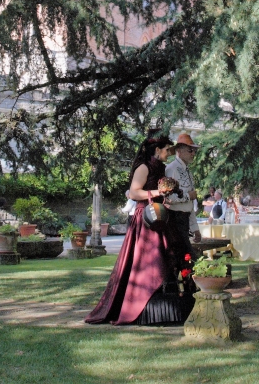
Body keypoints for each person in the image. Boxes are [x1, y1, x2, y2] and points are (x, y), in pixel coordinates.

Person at [85, 133, 194, 325]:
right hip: (146, 218)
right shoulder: (144, 167)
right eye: (167, 150)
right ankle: (143, 305)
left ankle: (169, 301)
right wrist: (157, 192)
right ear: (157, 150)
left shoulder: (160, 168)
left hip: (161, 216)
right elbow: (134, 192)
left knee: (168, 257)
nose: (170, 153)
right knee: (148, 260)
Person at [165, 133, 201, 243]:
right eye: (190, 150)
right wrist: (187, 196)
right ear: (179, 151)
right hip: (174, 219)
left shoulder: (187, 171)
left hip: (184, 220)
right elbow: (168, 198)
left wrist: (195, 229)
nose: (193, 153)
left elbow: (189, 205)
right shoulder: (172, 169)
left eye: (194, 151)